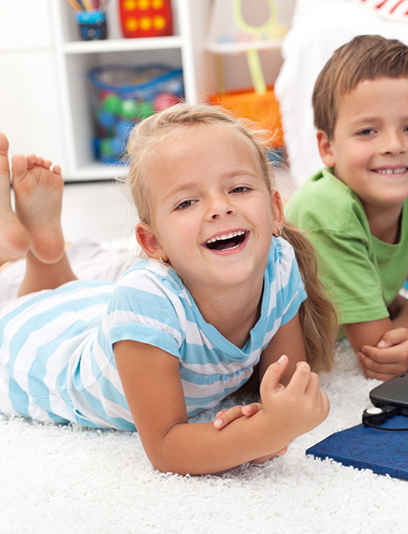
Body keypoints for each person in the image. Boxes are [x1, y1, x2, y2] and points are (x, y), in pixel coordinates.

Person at [0, 104, 337, 475]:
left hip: (92, 310)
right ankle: (17, 247)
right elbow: (167, 447)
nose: (220, 207)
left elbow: (286, 384)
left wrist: (279, 410)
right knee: (28, 308)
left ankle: (46, 256)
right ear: (153, 242)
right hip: (29, 354)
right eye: (187, 201)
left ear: (276, 210)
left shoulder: (280, 262)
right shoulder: (145, 301)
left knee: (58, 298)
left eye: (239, 188)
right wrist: (263, 432)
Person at [285, 35, 408, 381]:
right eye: (368, 131)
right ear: (327, 147)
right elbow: (378, 351)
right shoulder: (327, 209)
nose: (394, 145)